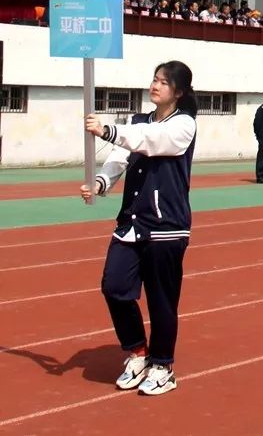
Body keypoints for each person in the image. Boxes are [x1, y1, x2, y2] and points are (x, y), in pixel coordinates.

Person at [79, 60, 198, 395]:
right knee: (114, 286)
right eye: (154, 79)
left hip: (166, 226)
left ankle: (162, 366)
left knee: (162, 301)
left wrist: (108, 130)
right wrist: (101, 183)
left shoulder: (183, 125)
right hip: (131, 221)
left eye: (163, 81)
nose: (155, 85)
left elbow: (151, 141)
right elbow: (120, 158)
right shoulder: (138, 121)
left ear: (179, 91)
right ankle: (137, 351)